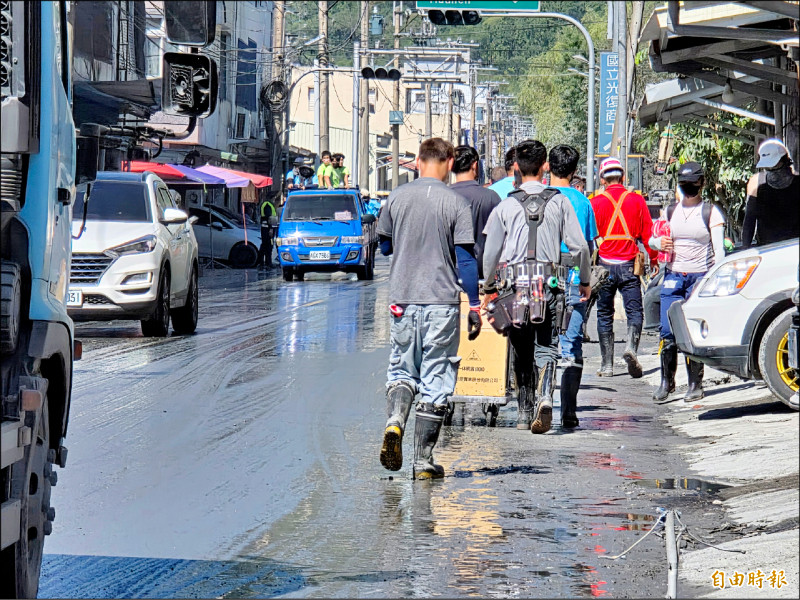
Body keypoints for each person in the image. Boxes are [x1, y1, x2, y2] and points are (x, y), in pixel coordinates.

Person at [376, 138, 482, 480]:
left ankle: (395, 421)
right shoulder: (455, 204)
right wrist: (475, 306)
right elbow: (466, 261)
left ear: (418, 161)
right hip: (441, 302)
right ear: (450, 162)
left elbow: (386, 247)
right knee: (436, 376)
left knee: (402, 369)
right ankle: (423, 460)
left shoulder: (395, 198)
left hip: (402, 300)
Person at [482, 140, 591, 433]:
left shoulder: (505, 205)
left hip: (514, 287)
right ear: (545, 166)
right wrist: (584, 281)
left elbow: (490, 253)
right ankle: (545, 397)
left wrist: (489, 286)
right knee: (547, 346)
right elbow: (580, 247)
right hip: (549, 284)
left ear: (516, 167)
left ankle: (523, 412)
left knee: (520, 349)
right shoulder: (560, 202)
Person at [650, 162, 725, 401]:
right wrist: (658, 244)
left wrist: (713, 280)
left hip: (699, 278)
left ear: (702, 184)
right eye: (685, 185)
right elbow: (654, 239)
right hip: (673, 276)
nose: (689, 189)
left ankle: (695, 384)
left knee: (691, 333)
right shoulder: (671, 212)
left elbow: (719, 252)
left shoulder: (711, 212)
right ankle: (666, 382)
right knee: (667, 332)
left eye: (692, 185)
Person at [591, 157, 658, 379]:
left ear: (602, 179)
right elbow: (648, 234)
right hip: (630, 265)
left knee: (604, 314)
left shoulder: (595, 202)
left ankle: (607, 365)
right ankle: (630, 346)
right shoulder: (636, 201)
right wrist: (654, 258)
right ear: (623, 177)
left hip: (604, 267)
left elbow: (590, 236)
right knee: (634, 311)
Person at [548, 145, 598, 428]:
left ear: (548, 167)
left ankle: (538, 403)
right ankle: (568, 412)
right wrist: (586, 282)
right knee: (571, 344)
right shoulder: (582, 202)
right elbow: (587, 248)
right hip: (575, 281)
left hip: (542, 280)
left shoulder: (540, 198)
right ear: (575, 171)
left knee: (542, 343)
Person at [450, 145, 502, 279]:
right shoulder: (491, 197)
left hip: (449, 274)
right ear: (474, 165)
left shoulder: (442, 196)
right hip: (482, 273)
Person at [741, 138, 799, 248]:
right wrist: (745, 249)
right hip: (766, 249)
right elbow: (749, 222)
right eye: (768, 167)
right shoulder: (756, 183)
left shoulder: (797, 182)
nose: (771, 169)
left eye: (775, 165)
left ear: (784, 161)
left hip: (794, 247)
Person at [258, 196, 277, 268]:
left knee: (265, 245)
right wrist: (271, 229)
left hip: (266, 228)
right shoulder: (267, 205)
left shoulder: (266, 204)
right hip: (267, 229)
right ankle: (267, 262)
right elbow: (269, 218)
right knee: (268, 246)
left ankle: (263, 262)